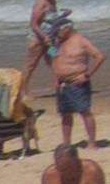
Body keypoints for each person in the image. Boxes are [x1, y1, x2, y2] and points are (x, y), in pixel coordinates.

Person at [43, 18, 101, 154]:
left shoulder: (81, 40)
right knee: (65, 115)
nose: (56, 35)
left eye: (58, 32)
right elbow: (54, 58)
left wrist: (86, 75)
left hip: (77, 83)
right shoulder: (59, 42)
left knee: (84, 112)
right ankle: (66, 143)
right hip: (62, 85)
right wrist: (54, 77)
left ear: (66, 28)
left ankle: (92, 143)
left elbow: (99, 56)